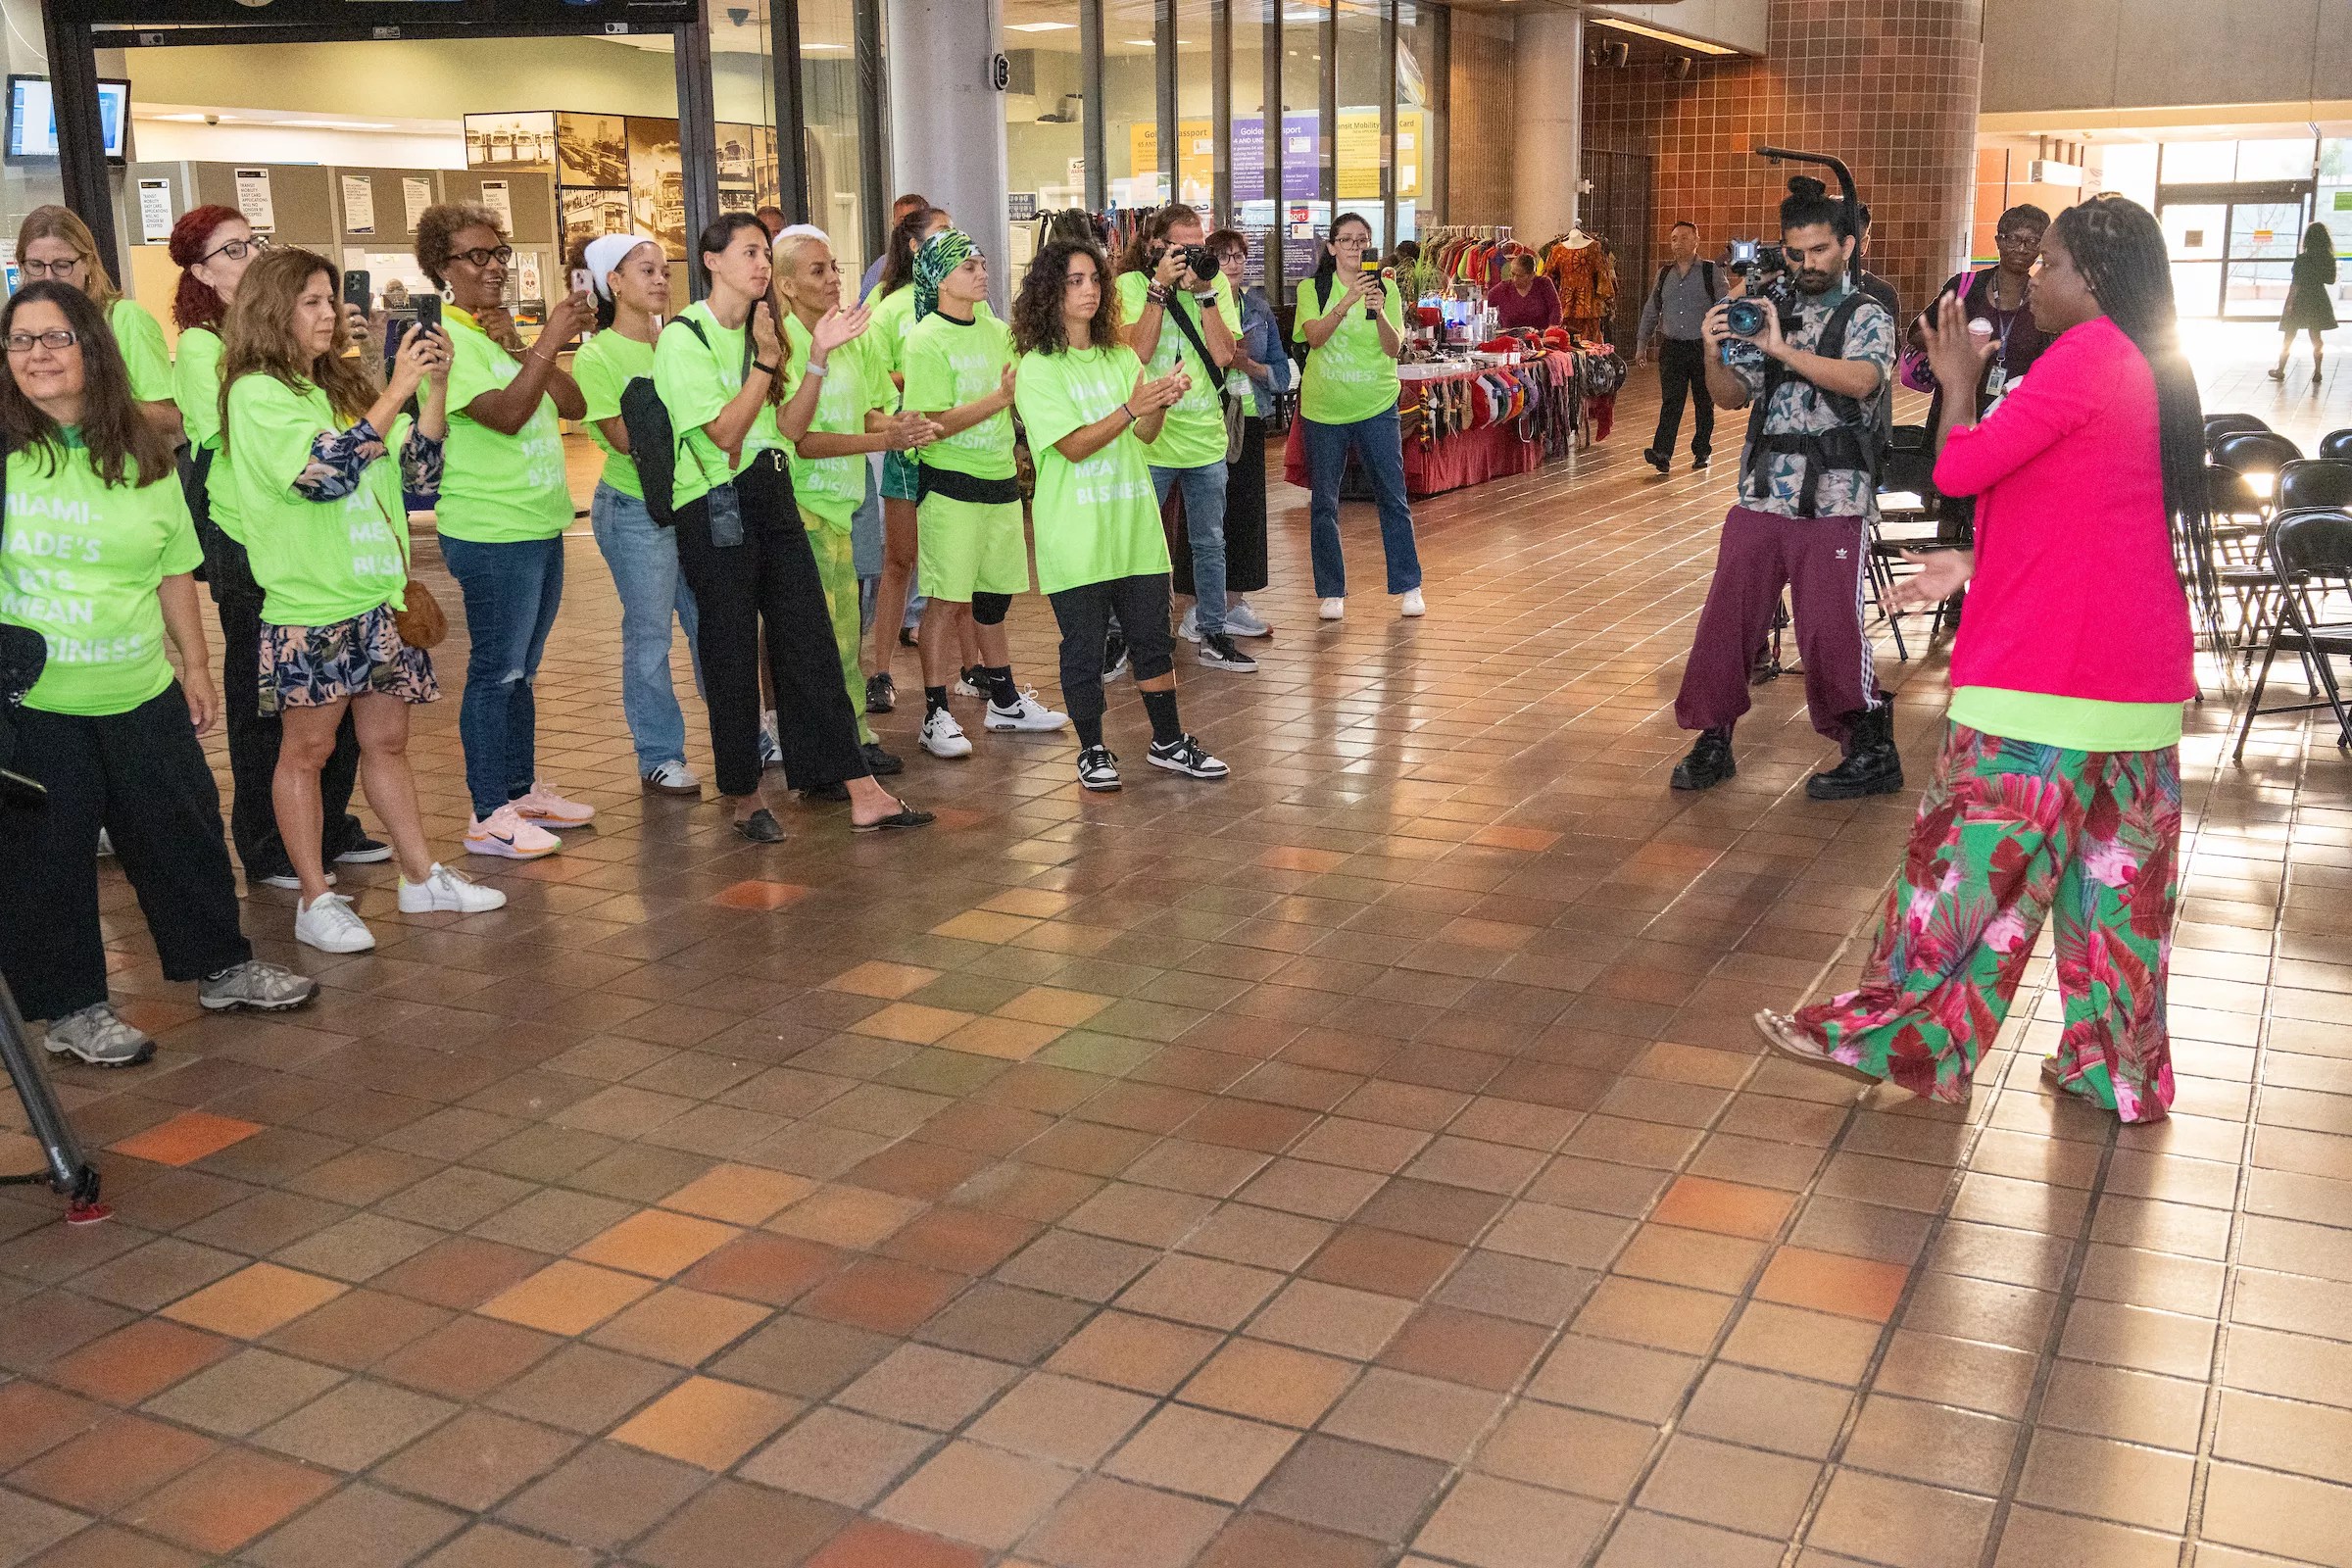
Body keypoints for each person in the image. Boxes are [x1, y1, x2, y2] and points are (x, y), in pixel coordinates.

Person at [1756, 195, 2220, 1126]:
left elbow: (1960, 468)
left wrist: (1957, 381)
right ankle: (2115, 1071)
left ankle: (1883, 1036)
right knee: (2113, 903)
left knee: (1957, 879)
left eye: (2048, 264)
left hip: (2047, 678)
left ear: (2092, 277)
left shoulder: (2085, 356)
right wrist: (1975, 559)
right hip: (2131, 685)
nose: (2031, 277)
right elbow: (2089, 510)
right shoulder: (2142, 363)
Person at [0, 281, 318, 1066]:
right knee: (48, 859)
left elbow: (176, 566)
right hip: (34, 702)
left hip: (141, 687)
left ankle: (222, 965)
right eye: (21, 341)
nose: (38, 354)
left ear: (92, 351)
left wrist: (196, 664)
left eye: (56, 338)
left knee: (183, 833)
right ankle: (72, 1008)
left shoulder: (141, 452)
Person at [219, 249, 510, 953]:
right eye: (312, 302)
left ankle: (420, 877)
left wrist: (432, 390)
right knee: (307, 752)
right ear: (273, 311)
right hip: (312, 604)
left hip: (378, 598)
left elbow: (419, 473)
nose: (329, 315)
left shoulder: (337, 386)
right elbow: (323, 473)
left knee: (387, 742)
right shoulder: (257, 394)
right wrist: (393, 390)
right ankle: (314, 898)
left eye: (329, 300)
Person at [652, 213, 932, 841]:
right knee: (730, 654)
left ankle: (859, 787)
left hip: (774, 488)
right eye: (747, 252)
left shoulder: (766, 332)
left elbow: (790, 428)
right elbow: (723, 436)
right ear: (711, 260)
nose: (758, 264)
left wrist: (816, 360)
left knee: (810, 643)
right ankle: (745, 797)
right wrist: (763, 366)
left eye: (762, 252)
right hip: (715, 506)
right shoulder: (686, 337)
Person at [169, 204, 382, 890]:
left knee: (342, 693)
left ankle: (332, 826)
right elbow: (233, 433)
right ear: (201, 272)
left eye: (253, 242)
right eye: (231, 251)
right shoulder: (208, 348)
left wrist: (333, 347)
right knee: (268, 703)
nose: (248, 257)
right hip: (247, 535)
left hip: (319, 543)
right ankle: (267, 843)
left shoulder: (295, 349)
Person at [1670, 175, 1899, 802]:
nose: (1807, 264)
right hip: (1762, 492)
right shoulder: (1768, 306)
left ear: (1848, 245)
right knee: (1728, 618)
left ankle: (1868, 745)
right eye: (1796, 253)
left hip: (1835, 497)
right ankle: (1713, 737)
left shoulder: (1867, 314)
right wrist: (1715, 354)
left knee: (1829, 628)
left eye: (1820, 250)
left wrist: (1778, 346)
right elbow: (1732, 397)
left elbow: (1862, 381)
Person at [416, 203, 600, 859]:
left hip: (538, 520)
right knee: (496, 670)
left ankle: (519, 791)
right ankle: (487, 812)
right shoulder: (440, 338)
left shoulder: (494, 332)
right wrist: (548, 338)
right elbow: (508, 414)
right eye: (477, 256)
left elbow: (572, 406)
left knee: (524, 670)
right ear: (443, 268)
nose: (494, 267)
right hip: (491, 530)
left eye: (500, 254)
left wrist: (522, 344)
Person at [1011, 236, 1227, 792]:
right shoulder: (1038, 368)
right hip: (1076, 535)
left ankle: (1168, 740)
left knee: (1152, 641)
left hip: (1135, 530)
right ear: (1049, 293)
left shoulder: (1121, 355)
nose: (1088, 291)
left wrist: (1158, 404)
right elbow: (1073, 446)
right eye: (1074, 281)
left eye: (1094, 280)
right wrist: (1135, 404)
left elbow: (1145, 434)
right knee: (1082, 648)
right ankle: (1093, 749)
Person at [897, 228, 1068, 757]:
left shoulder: (997, 331)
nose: (981, 272)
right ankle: (935, 711)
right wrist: (999, 399)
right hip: (950, 484)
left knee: (994, 598)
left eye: (983, 263)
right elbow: (931, 423)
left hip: (999, 481)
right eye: (968, 265)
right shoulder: (925, 338)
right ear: (941, 278)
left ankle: (1005, 700)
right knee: (947, 601)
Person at [770, 225, 931, 778]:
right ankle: (829, 746)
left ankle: (851, 734)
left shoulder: (852, 337)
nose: (835, 278)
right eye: (818, 271)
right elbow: (802, 439)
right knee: (818, 634)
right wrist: (882, 439)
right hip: (799, 510)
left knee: (846, 629)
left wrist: (901, 424)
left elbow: (869, 413)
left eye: (835, 266)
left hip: (846, 504)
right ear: (786, 286)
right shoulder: (778, 344)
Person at [571, 231, 704, 798]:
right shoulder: (596, 355)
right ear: (613, 284)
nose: (659, 280)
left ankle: (745, 730)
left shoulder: (677, 343)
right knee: (651, 635)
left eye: (664, 271)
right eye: (644, 271)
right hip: (634, 509)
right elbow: (625, 440)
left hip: (691, 500)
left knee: (712, 625)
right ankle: (660, 753)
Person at [1113, 204, 1253, 672]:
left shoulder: (1214, 286)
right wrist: (1159, 288)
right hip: (1147, 439)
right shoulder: (1130, 287)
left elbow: (1223, 353)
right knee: (1137, 541)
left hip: (1203, 438)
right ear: (1156, 246)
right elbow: (1137, 351)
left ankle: (1213, 630)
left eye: (1200, 248)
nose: (1194, 257)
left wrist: (1206, 295)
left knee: (1210, 541)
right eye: (1183, 249)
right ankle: (1128, 636)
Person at [1295, 213, 1424, 622]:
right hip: (1325, 408)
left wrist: (1379, 310)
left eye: (1362, 240)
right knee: (1324, 504)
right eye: (1346, 240)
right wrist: (1347, 300)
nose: (1354, 247)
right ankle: (1331, 591)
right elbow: (1313, 337)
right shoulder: (1311, 288)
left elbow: (1392, 347)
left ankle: (1408, 584)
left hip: (1376, 405)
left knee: (1392, 495)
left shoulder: (1386, 287)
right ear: (1331, 247)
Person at [863, 204, 959, 712]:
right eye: (943, 233)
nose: (956, 241)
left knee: (960, 564)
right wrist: (924, 375)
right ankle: (880, 672)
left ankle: (973, 668)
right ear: (915, 247)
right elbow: (874, 381)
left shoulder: (969, 297)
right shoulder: (889, 306)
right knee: (900, 561)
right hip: (908, 444)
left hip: (962, 446)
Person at [15, 206, 179, 442]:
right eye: (36, 266)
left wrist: (80, 410)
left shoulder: (124, 318)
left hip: (117, 470)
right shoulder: (19, 332)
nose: (48, 278)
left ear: (88, 263)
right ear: (22, 266)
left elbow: (168, 418)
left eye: (62, 265)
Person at [1911, 204, 2052, 431]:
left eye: (2033, 241)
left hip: (2013, 417)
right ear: (1998, 241)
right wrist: (1953, 345)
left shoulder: (2045, 298)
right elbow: (1916, 333)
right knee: (1948, 463)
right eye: (2013, 239)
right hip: (1955, 406)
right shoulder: (1965, 287)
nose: (2022, 249)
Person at [1207, 228, 1280, 639]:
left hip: (1249, 418)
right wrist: (1232, 358)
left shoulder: (1256, 306)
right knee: (1209, 518)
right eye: (1223, 256)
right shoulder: (1201, 303)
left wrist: (1248, 365)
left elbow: (1280, 370)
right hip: (1209, 419)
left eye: (1239, 255)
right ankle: (1202, 606)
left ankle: (1234, 601)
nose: (1233, 263)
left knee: (1244, 513)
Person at [1637, 220, 1725, 474]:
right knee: (1671, 401)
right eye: (1674, 238)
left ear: (1697, 240)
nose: (1678, 243)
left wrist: (1723, 344)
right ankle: (1662, 453)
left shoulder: (1710, 272)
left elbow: (1725, 307)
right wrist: (1642, 344)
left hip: (1703, 347)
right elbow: (1652, 309)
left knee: (1703, 401)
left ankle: (1702, 451)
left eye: (1685, 237)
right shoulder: (1664, 274)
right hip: (1672, 347)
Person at [2272, 221, 2337, 383]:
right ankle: (2317, 371)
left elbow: (2295, 284)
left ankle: (2280, 369)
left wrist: (2289, 304)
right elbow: (2331, 280)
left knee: (2289, 335)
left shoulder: (2302, 259)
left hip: (2301, 298)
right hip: (2318, 298)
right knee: (2316, 336)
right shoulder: (2328, 259)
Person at [859, 191, 930, 300]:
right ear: (894, 225)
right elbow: (864, 311)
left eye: (914, 221)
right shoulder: (879, 268)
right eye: (902, 222)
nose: (907, 228)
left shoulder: (941, 262)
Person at [1491, 253, 1563, 333]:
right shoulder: (1503, 288)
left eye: (1520, 276)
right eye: (1512, 274)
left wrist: (1552, 327)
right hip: (1510, 340)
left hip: (1540, 338)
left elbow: (1555, 307)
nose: (1514, 279)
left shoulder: (1544, 284)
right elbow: (1483, 304)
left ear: (1532, 275)